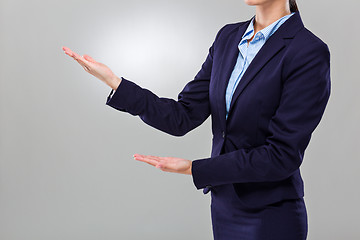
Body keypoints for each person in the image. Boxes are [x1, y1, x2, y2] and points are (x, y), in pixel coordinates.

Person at [63, 0, 330, 239]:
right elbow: (182, 116)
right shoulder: (228, 37)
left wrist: (195, 168)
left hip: (272, 215)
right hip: (224, 208)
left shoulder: (307, 51)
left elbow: (281, 156)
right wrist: (116, 83)